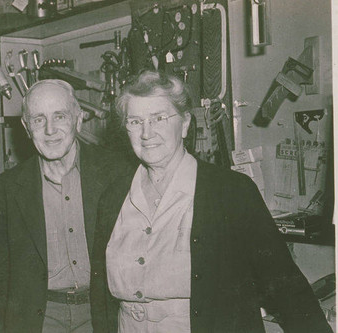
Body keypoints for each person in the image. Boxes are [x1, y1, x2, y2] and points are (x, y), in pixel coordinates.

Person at [90, 70, 332, 333]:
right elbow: (101, 298)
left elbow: (285, 286)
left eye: (158, 118)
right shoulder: (113, 197)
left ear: (184, 124)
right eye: (135, 121)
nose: (146, 133)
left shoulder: (231, 193)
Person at [0, 79, 127, 332]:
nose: (50, 130)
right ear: (26, 127)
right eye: (38, 119)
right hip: (39, 317)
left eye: (60, 116)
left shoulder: (117, 172)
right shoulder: (6, 189)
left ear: (78, 119)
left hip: (102, 314)